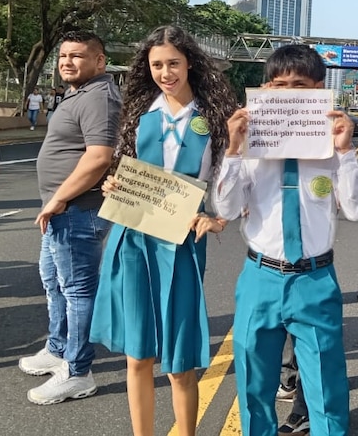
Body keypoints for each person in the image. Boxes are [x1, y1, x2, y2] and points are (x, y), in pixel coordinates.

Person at [215, 44, 358, 435]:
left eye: (299, 85)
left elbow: (355, 209)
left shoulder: (332, 148)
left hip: (314, 280)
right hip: (260, 277)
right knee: (254, 384)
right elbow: (228, 207)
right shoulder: (252, 145)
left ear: (319, 89)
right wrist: (233, 150)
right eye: (278, 84)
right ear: (266, 88)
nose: (287, 92)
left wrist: (346, 152)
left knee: (325, 385)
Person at [89, 26, 237, 436]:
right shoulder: (139, 113)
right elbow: (125, 168)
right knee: (138, 357)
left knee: (179, 362)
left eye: (173, 63)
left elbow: (228, 181)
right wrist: (113, 184)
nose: (165, 72)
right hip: (133, 239)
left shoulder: (214, 119)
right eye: (157, 64)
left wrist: (219, 218)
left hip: (181, 245)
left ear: (190, 62)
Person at [20, 30, 121, 405]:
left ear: (99, 60)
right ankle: (57, 348)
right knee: (54, 282)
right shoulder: (79, 93)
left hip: (78, 210)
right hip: (62, 209)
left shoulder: (100, 97)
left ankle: (78, 371)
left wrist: (58, 198)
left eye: (77, 56)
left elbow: (99, 157)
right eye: (63, 56)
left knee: (77, 290)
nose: (67, 62)